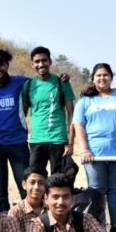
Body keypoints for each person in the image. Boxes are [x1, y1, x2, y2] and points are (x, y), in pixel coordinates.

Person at [73, 62, 116, 232]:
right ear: (93, 79)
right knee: (97, 191)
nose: (102, 78)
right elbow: (79, 125)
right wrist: (84, 149)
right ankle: (98, 228)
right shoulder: (85, 100)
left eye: (105, 75)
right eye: (98, 75)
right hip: (93, 153)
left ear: (111, 77)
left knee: (115, 190)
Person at [0, 49, 30, 211]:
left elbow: (43, 81)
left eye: (1, 65)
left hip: (18, 143)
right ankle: (3, 222)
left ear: (7, 65)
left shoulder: (21, 82)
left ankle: (30, 221)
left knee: (26, 187)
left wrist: (63, 80)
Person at [24, 47, 75, 175]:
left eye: (44, 60)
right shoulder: (29, 85)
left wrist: (70, 142)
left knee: (58, 181)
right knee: (36, 178)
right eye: (37, 61)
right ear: (32, 64)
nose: (41, 64)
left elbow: (71, 113)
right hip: (36, 140)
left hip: (58, 140)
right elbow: (22, 114)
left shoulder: (62, 82)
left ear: (50, 62)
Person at [7, 165, 48, 232]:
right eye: (32, 182)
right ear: (24, 185)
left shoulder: (51, 208)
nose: (36, 187)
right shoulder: (15, 212)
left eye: (41, 183)